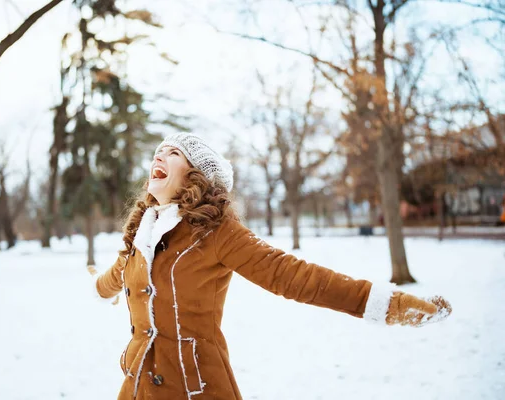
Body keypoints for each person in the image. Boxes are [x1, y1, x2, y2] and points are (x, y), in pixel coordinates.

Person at [88, 133, 452, 400]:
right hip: (136, 385)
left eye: (173, 152)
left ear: (196, 175)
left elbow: (292, 275)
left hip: (195, 386)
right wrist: (98, 286)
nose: (160, 156)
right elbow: (117, 276)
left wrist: (386, 304)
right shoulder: (142, 233)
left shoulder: (216, 233)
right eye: (158, 152)